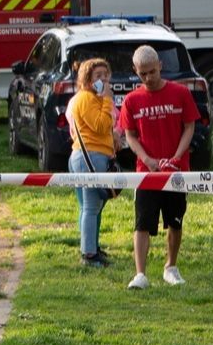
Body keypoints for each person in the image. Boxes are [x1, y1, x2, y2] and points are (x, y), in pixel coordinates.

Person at [116, 44, 205, 289]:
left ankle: (171, 266)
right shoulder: (132, 100)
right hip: (146, 173)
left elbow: (189, 126)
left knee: (175, 221)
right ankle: (140, 274)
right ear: (135, 71)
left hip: (176, 171)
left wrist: (177, 157)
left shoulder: (180, 93)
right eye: (142, 73)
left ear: (160, 67)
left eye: (152, 72)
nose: (148, 78)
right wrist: (147, 160)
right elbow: (130, 135)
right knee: (142, 222)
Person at [66, 57, 119, 269]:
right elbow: (99, 125)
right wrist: (107, 100)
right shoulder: (86, 98)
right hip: (89, 156)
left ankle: (92, 247)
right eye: (98, 76)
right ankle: (89, 254)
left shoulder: (94, 99)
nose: (104, 80)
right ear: (87, 79)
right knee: (90, 206)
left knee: (92, 206)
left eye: (106, 76)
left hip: (94, 155)